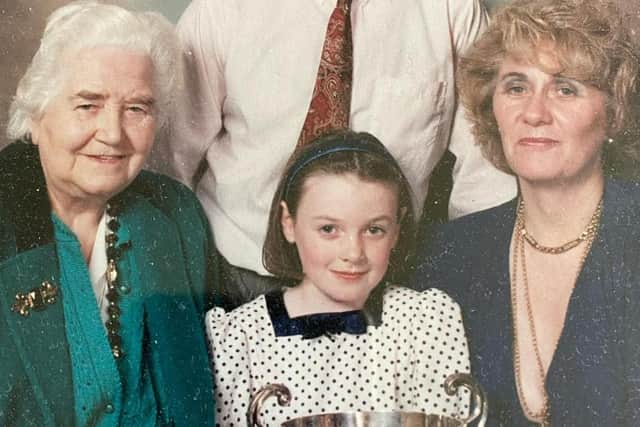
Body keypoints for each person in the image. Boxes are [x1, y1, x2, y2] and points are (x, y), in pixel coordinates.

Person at [155, 0, 518, 309]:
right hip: (237, 277)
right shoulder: (224, 9)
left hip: (383, 284)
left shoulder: (449, 8)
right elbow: (168, 163)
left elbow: (485, 174)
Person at [411, 0, 640, 425]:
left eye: (565, 88)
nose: (534, 113)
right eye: (516, 87)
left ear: (614, 111)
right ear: (490, 107)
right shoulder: (445, 258)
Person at [0, 2, 215, 425]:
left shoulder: (175, 214)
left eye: (137, 108)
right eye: (88, 105)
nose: (114, 133)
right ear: (36, 115)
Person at [207, 131, 472, 425]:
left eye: (374, 230)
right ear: (289, 223)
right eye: (329, 229)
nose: (353, 252)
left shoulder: (425, 321)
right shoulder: (239, 338)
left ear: (396, 229)